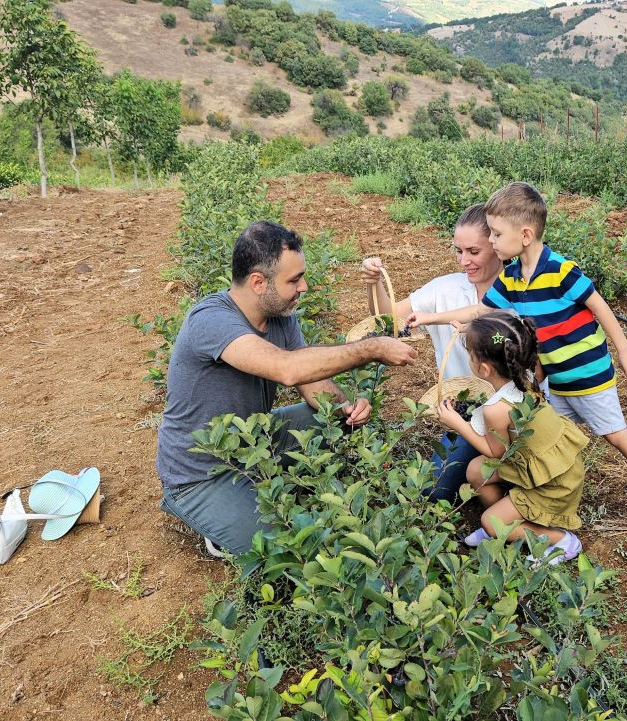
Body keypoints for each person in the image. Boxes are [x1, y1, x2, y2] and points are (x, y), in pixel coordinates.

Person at [409, 182, 627, 540]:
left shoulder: (560, 270)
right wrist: (432, 318)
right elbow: (482, 309)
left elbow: (598, 305)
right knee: (548, 441)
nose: (492, 241)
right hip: (553, 379)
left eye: (496, 233)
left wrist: (624, 348)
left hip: (587, 374)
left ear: (525, 235)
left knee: (616, 435)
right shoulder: (511, 277)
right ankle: (539, 505)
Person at [156, 220, 418, 555]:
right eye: (294, 279)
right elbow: (288, 370)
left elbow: (311, 384)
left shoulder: (281, 313)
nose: (304, 286)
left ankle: (254, 488)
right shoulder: (211, 320)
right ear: (258, 282)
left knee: (335, 420)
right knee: (289, 547)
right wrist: (371, 349)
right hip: (202, 470)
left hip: (255, 438)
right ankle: (212, 519)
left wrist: (345, 408)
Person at [358, 204, 504, 503]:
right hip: (467, 414)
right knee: (433, 490)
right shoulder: (445, 289)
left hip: (512, 412)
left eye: (473, 252)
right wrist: (374, 285)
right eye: (458, 251)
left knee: (523, 473)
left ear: (497, 244)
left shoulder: (518, 291)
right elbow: (390, 321)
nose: (465, 261)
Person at [436, 311, 588, 565]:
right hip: (553, 464)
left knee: (489, 519)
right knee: (476, 470)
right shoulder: (525, 374)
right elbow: (507, 334)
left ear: (483, 369)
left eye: (471, 354)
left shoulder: (496, 409)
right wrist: (475, 333)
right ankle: (507, 522)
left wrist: (457, 424)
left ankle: (559, 539)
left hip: (552, 485)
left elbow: (494, 452)